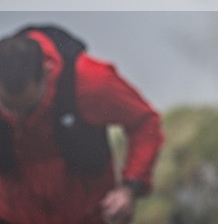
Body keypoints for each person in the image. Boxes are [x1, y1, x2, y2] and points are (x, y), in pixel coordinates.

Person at [0, 26, 163, 224]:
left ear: (47, 70)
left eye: (28, 107)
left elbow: (145, 123)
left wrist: (130, 187)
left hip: (88, 215)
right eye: (8, 108)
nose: (18, 116)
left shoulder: (91, 82)